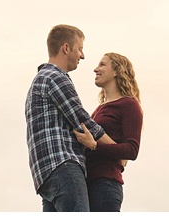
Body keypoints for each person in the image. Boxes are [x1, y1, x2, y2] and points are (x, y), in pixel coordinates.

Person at [26, 25, 116, 212]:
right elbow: (82, 121)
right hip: (63, 165)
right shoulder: (55, 77)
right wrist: (116, 151)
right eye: (80, 49)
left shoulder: (40, 79)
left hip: (45, 174)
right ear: (66, 48)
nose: (82, 56)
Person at [74, 53, 144, 212]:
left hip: (105, 184)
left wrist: (94, 145)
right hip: (87, 183)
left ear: (117, 71)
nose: (95, 69)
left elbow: (132, 150)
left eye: (102, 65)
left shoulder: (129, 105)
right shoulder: (99, 109)